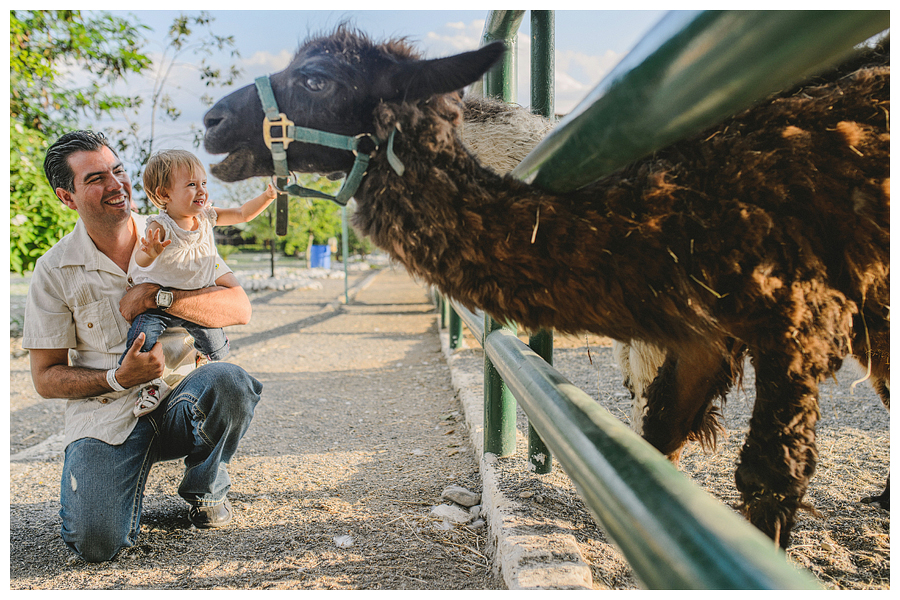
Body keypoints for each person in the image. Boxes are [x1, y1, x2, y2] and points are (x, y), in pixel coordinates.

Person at [23, 130, 263, 563]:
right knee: (96, 544)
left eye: (118, 170)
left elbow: (239, 306)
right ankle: (114, 476)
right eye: (95, 178)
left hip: (180, 403)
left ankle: (205, 485)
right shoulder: (54, 270)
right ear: (66, 196)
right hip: (106, 415)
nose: (116, 185)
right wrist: (118, 376)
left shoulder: (179, 229)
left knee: (230, 379)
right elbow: (45, 378)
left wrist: (158, 297)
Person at [124, 149, 276, 417]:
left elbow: (242, 213)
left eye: (203, 183)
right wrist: (150, 251)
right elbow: (141, 259)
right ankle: (149, 386)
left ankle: (202, 362)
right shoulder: (160, 226)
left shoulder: (206, 217)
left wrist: (267, 196)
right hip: (158, 305)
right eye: (191, 185)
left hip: (196, 302)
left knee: (217, 348)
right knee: (141, 337)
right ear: (164, 195)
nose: (201, 190)